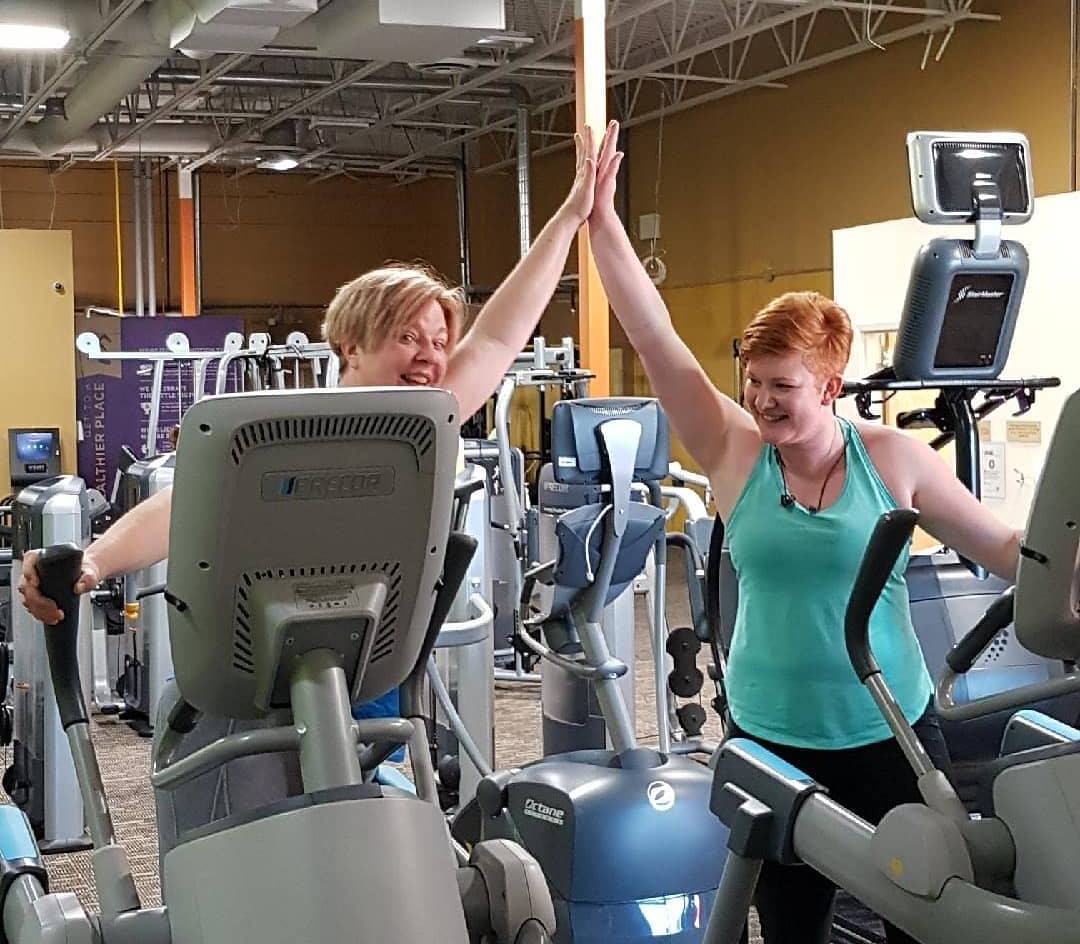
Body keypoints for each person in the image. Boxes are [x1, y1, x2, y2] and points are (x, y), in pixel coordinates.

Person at [585, 122, 1020, 944]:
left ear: (830, 386)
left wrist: (1063, 558)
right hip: (772, 734)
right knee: (790, 928)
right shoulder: (733, 453)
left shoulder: (891, 460)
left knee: (925, 919)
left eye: (781, 385)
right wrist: (601, 220)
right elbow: (653, 336)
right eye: (752, 381)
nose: (761, 399)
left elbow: (1000, 547)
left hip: (890, 731)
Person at [19, 123, 612, 623]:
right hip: (278, 648)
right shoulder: (301, 427)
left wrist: (570, 218)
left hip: (383, 646)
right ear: (351, 346)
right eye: (407, 337)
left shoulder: (436, 417)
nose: (430, 356)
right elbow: (190, 503)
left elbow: (501, 334)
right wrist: (94, 561)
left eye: (438, 342)